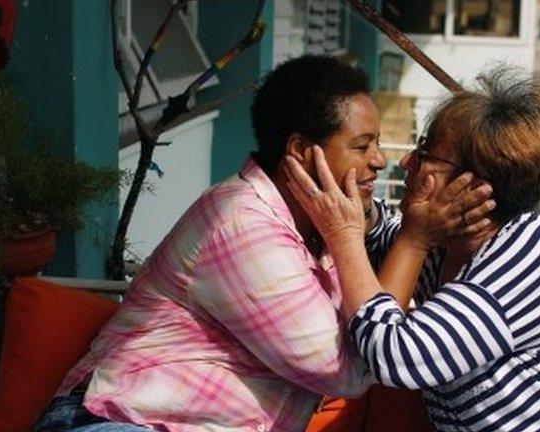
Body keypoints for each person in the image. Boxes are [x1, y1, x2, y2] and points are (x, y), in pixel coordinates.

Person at [34, 55, 493, 432]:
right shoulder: (242, 224)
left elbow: (375, 274)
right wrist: (408, 240)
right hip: (118, 422)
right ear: (299, 150)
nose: (379, 161)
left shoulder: (318, 223)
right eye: (361, 145)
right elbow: (354, 366)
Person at [285, 66, 540, 431]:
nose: (403, 162)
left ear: (474, 187)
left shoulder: (532, 253)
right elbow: (382, 243)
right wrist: (349, 194)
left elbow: (392, 357)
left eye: (426, 153)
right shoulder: (449, 242)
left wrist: (349, 233)